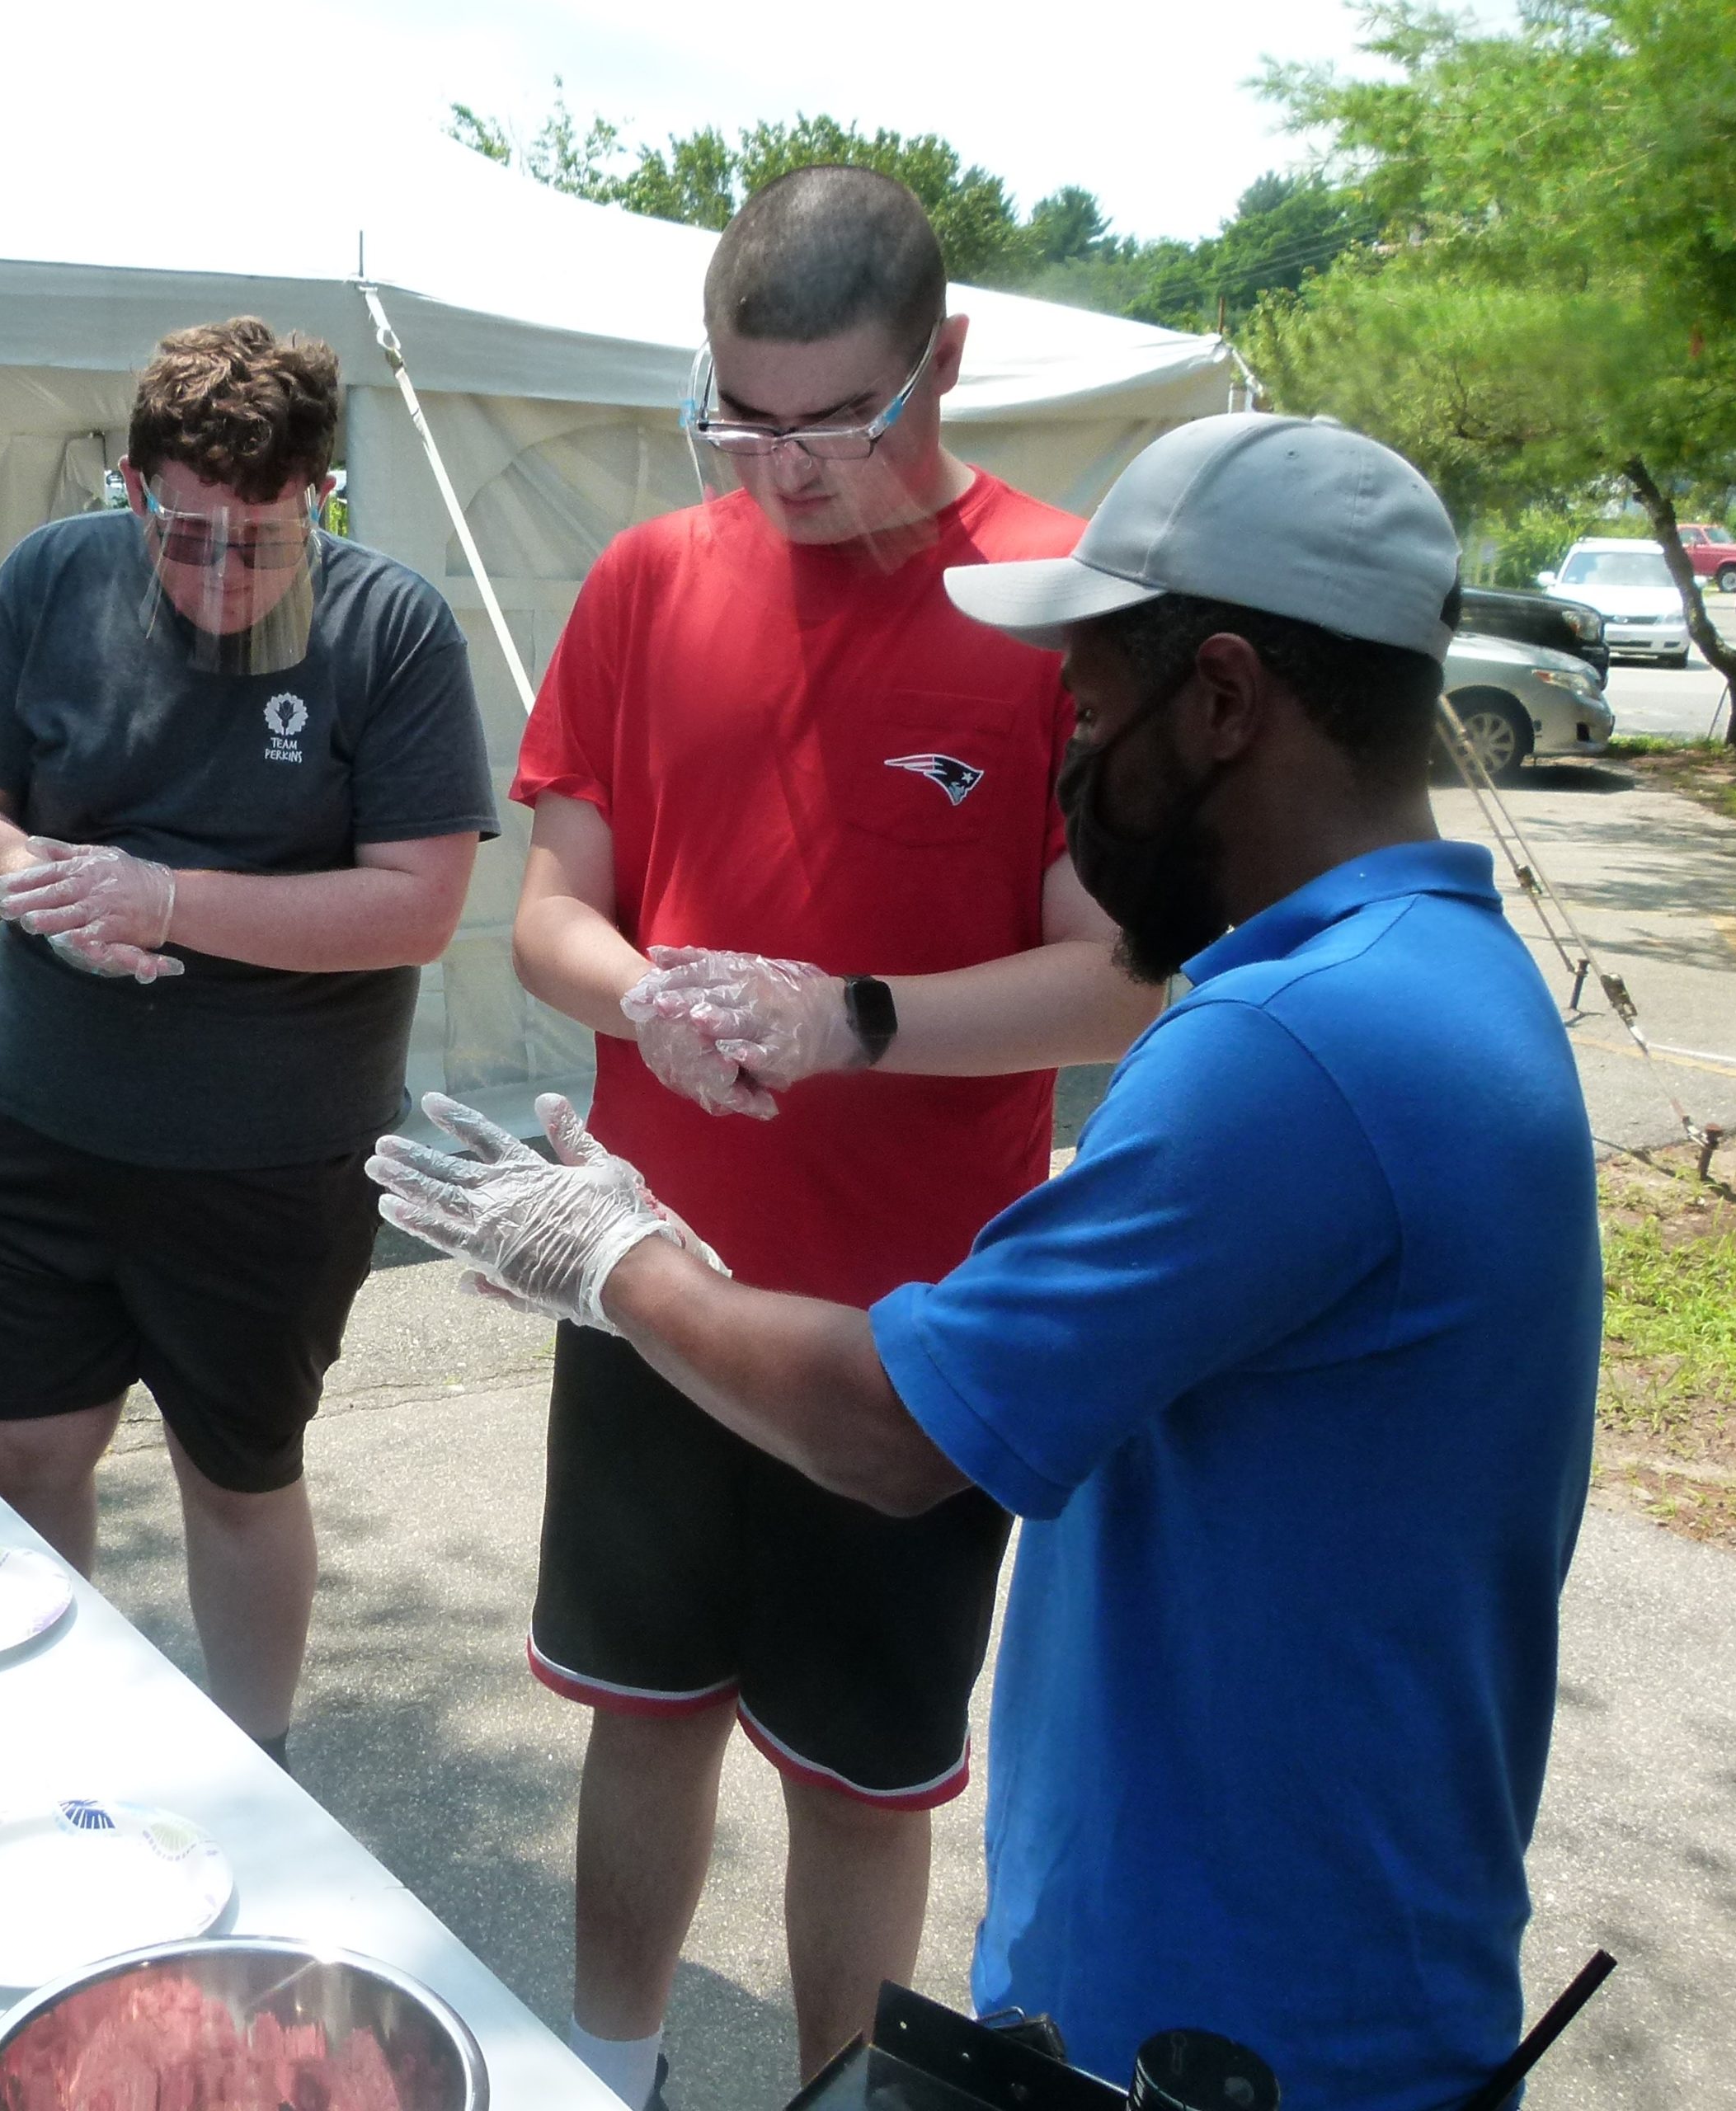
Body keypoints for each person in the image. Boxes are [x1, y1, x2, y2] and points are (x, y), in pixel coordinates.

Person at [370, 413, 1605, 2111]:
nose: (1071, 768)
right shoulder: (1425, 979)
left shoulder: (1301, 1047)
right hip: (1310, 1962)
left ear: (1225, 700)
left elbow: (896, 1428)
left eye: (1089, 716)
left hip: (1240, 2027)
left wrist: (610, 1253)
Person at [504, 163, 1158, 2104]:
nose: (780, 467)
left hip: (918, 1323)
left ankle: (833, 2095)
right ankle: (601, 2064)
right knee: (639, 1713)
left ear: (939, 361)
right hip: (649, 1268)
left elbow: (1123, 974)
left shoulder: (1056, 604)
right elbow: (551, 913)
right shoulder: (645, 578)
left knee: (859, 1774)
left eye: (831, 418)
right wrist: (660, 1003)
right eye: (740, 413)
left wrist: (843, 1019)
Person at [0, 316, 496, 1771]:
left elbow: (417, 905)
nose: (223, 575)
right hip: (42, 1121)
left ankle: (258, 1774)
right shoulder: (51, 580)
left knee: (236, 1474)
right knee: (26, 1453)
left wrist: (166, 896)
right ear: (127, 485)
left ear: (322, 497)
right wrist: (38, 892)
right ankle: (40, 1752)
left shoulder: (389, 626)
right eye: (184, 534)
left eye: (263, 536)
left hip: (267, 1158)